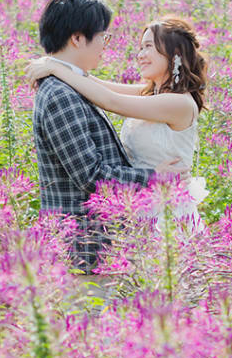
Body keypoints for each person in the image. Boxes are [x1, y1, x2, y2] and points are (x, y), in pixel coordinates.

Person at [32, 0, 180, 276]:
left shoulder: (69, 86)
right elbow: (91, 176)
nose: (105, 45)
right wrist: (152, 176)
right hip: (84, 251)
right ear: (78, 38)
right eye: (103, 36)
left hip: (98, 248)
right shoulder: (60, 95)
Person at [26, 15, 208, 231]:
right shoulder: (151, 94)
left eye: (148, 47)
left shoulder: (179, 103)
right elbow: (100, 85)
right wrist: (57, 63)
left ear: (174, 52)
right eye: (140, 48)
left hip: (167, 212)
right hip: (140, 206)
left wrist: (55, 69)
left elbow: (111, 101)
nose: (140, 55)